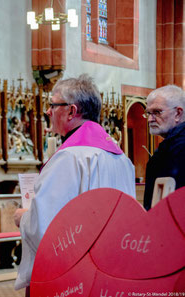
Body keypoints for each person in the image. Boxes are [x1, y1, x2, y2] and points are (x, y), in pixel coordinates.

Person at [13, 74, 135, 292]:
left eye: (53, 105)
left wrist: (23, 219)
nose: (48, 111)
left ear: (71, 110)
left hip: (74, 279)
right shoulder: (121, 158)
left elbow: (46, 227)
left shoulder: (70, 157)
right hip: (111, 271)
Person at [143, 85, 185, 210]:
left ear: (178, 113)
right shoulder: (171, 144)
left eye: (157, 112)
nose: (150, 119)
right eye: (148, 113)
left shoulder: (179, 147)